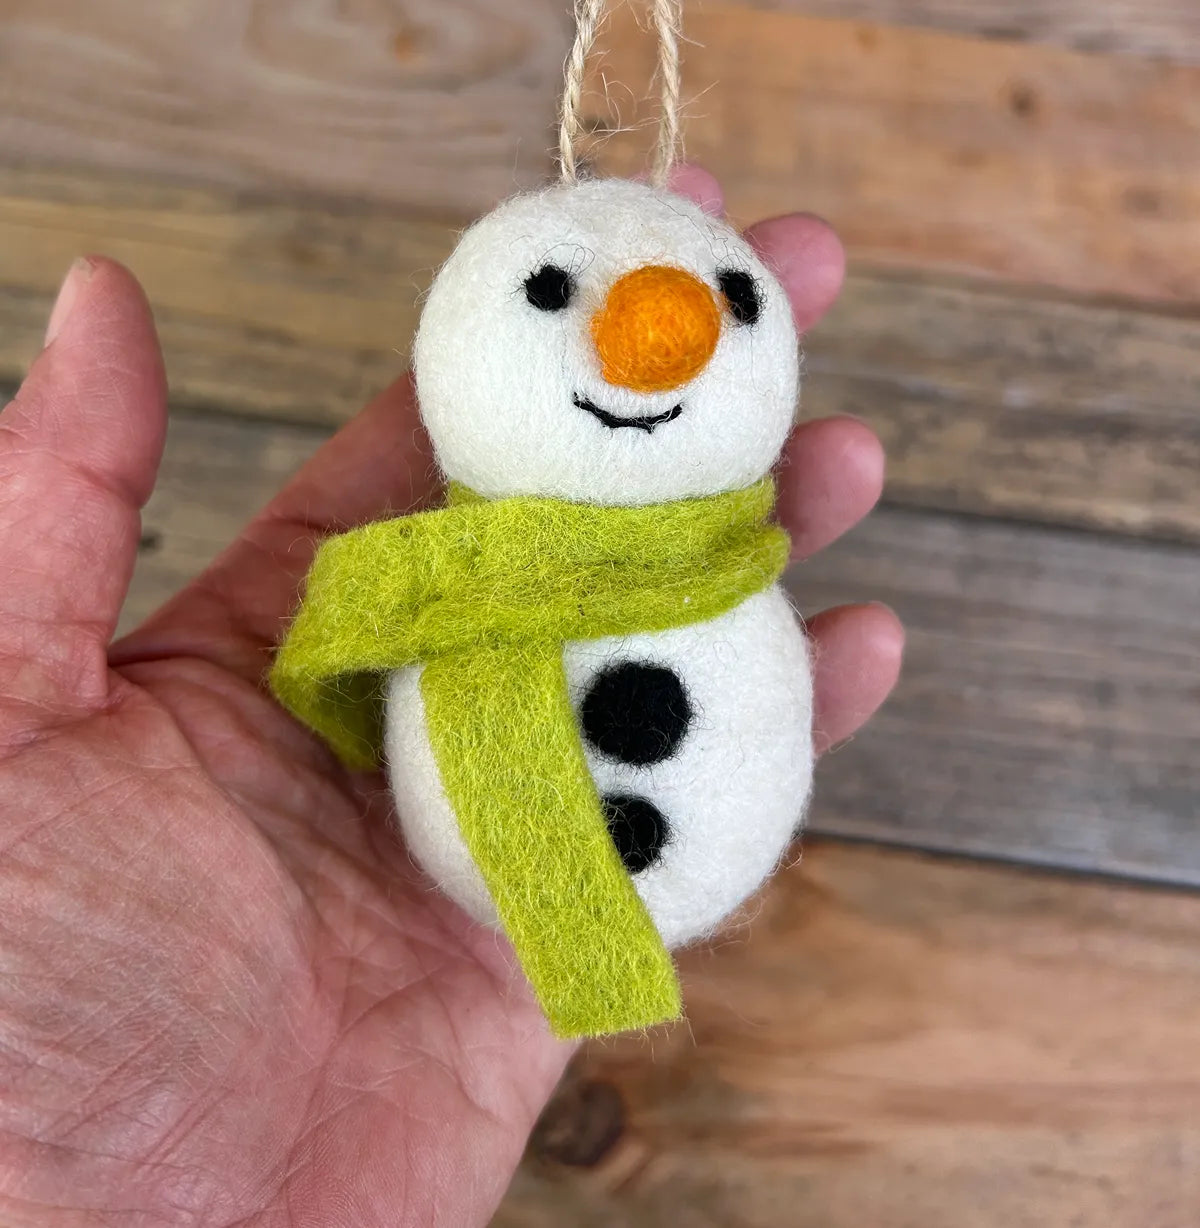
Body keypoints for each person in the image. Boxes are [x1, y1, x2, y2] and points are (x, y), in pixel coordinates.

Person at [0, 167, 902, 1225]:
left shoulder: (639, 581)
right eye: (554, 291)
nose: (656, 341)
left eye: (732, 304)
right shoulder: (442, 582)